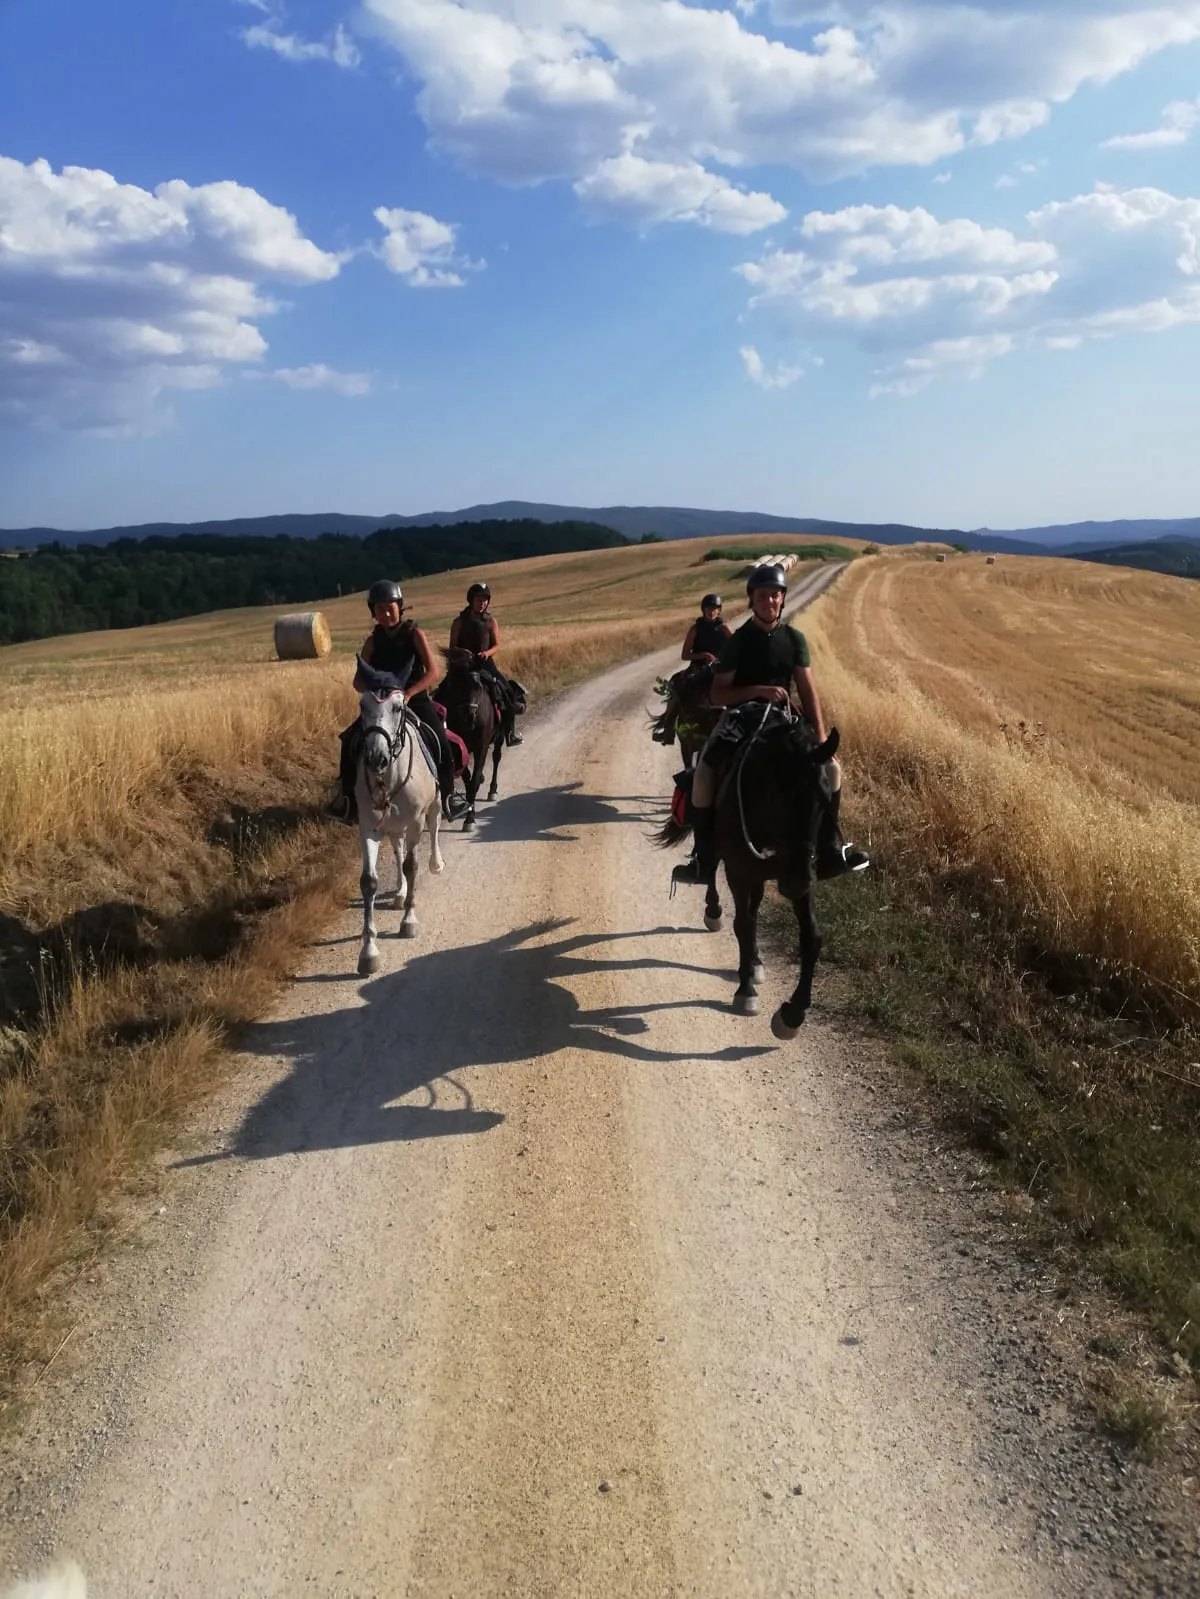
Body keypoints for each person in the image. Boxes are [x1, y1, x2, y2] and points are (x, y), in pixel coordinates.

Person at [671, 564, 870, 886]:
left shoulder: (794, 639)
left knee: (832, 770)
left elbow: (807, 690)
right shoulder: (737, 642)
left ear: (782, 599)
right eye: (763, 595)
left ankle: (829, 850)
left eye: (776, 594)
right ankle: (703, 858)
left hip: (785, 720)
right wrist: (757, 690)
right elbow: (718, 692)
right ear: (752, 600)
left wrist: (820, 739)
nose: (770, 601)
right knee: (706, 771)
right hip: (739, 717)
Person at [329, 579, 468, 824]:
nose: (385, 613)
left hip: (414, 700)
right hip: (383, 705)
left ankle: (449, 796)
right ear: (373, 612)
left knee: (440, 741)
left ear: (399, 607)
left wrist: (409, 693)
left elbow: (433, 672)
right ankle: (348, 800)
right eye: (379, 609)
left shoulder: (414, 634)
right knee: (349, 740)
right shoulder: (372, 642)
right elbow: (357, 681)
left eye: (389, 608)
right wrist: (377, 694)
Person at [447, 581, 525, 747]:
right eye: (479, 599)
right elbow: (452, 646)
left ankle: (509, 733)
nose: (482, 603)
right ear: (471, 600)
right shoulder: (459, 622)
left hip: (485, 665)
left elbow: (496, 645)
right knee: (443, 692)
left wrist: (486, 653)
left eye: (485, 599)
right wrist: (462, 653)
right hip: (463, 666)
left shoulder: (491, 622)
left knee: (507, 693)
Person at [653, 592, 731, 746]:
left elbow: (735, 649)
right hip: (698, 667)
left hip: (719, 667)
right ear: (703, 610)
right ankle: (668, 731)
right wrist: (703, 655)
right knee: (676, 684)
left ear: (719, 610)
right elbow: (684, 655)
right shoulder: (695, 629)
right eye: (708, 608)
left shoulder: (724, 629)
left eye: (715, 608)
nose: (711, 611)